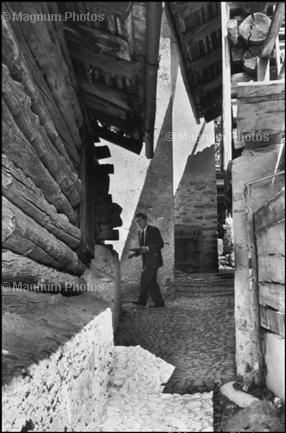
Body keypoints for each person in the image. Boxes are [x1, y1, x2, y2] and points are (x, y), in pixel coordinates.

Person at [128, 212, 165, 308]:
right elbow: (142, 248)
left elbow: (160, 244)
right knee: (151, 282)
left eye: (139, 221)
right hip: (146, 261)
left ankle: (142, 301)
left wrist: (148, 248)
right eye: (137, 222)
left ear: (145, 220)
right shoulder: (140, 233)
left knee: (145, 280)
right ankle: (159, 303)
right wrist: (135, 254)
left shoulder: (154, 230)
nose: (138, 224)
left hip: (154, 261)